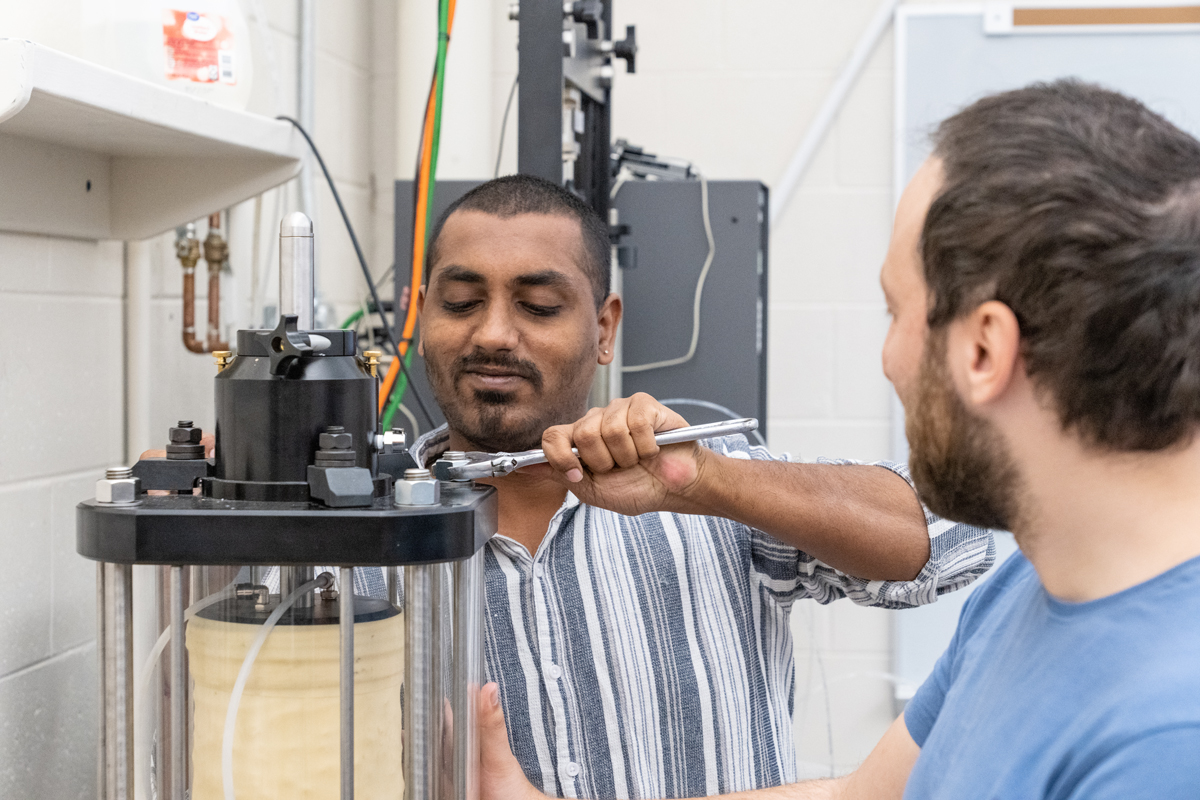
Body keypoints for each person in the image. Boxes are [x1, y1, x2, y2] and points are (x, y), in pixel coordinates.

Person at [565, 79, 1200, 799]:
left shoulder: (1168, 741)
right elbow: (859, 796)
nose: (889, 359)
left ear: (984, 350)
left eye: (897, 311)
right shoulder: (1039, 582)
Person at [409, 173, 992, 798]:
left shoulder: (711, 491)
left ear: (604, 330)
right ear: (422, 316)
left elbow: (951, 542)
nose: (494, 332)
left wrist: (705, 483)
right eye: (462, 302)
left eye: (539, 307)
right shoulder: (366, 544)